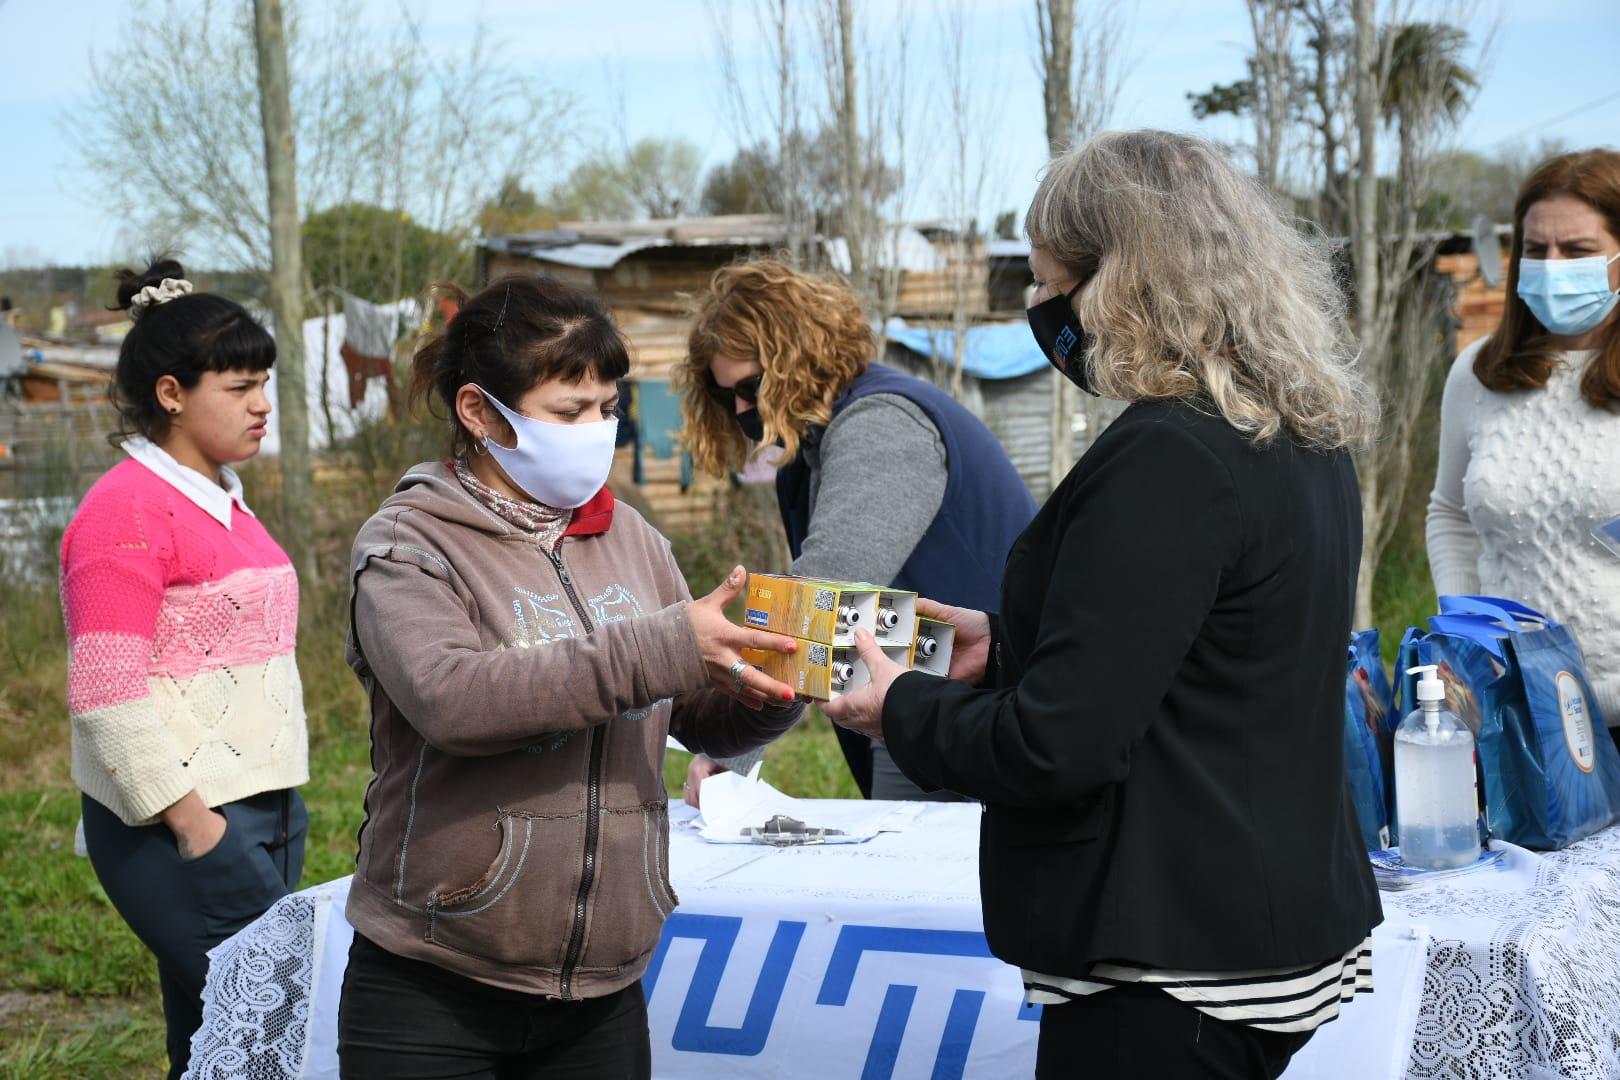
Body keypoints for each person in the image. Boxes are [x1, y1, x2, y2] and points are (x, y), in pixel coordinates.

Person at [823, 131, 1384, 1079]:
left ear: (1121, 282)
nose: (1038, 310)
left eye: (1048, 283)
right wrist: (1005, 647)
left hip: (1173, 957)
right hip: (1261, 918)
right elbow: (1211, 650)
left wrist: (902, 709)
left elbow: (1059, 747)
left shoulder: (1169, 454)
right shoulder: (1291, 431)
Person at [337, 274, 805, 1079]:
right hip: (437, 979)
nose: (596, 430)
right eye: (567, 411)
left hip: (603, 991)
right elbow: (454, 699)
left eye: (608, 407)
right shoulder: (408, 545)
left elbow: (689, 709)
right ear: (480, 413)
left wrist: (768, 681)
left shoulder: (633, 540)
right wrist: (661, 646)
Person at [60, 258, 309, 1080]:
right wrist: (195, 825)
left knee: (220, 1050)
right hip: (181, 824)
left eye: (264, 382)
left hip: (266, 812)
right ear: (171, 394)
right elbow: (104, 696)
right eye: (240, 386)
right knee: (283, 1031)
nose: (262, 404)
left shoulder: (225, 501)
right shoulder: (126, 511)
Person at [675, 258, 1036, 801]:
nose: (743, 408)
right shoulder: (808, 454)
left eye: (751, 386)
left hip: (976, 713)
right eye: (729, 397)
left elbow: (821, 593)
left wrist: (733, 747)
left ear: (800, 357)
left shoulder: (882, 424)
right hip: (925, 702)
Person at [1427, 148, 1620, 741]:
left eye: (1578, 250)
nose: (1552, 265)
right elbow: (1450, 514)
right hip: (1516, 715)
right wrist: (1467, 636)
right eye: (1536, 250)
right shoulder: (1477, 373)